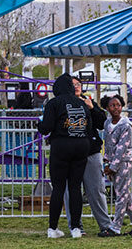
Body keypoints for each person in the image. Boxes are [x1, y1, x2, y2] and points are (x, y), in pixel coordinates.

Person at [38, 73, 94, 238]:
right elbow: (89, 127)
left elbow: (46, 127)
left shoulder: (54, 103)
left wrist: (39, 124)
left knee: (59, 188)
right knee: (75, 187)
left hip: (61, 146)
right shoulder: (82, 103)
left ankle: (53, 228)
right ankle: (76, 228)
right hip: (81, 146)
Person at [61, 78, 110, 236]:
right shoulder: (61, 103)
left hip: (91, 151)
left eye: (78, 85)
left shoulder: (88, 101)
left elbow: (102, 122)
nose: (76, 87)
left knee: (96, 190)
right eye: (73, 85)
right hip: (69, 154)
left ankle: (105, 225)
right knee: (70, 191)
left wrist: (92, 108)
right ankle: (76, 226)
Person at [102, 95, 132, 237]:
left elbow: (122, 148)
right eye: (113, 105)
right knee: (125, 195)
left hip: (124, 163)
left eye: (118, 105)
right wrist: (106, 162)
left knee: (121, 195)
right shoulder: (107, 123)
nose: (116, 108)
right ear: (107, 108)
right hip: (112, 163)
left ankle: (116, 227)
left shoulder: (126, 126)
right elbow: (108, 145)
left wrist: (112, 167)